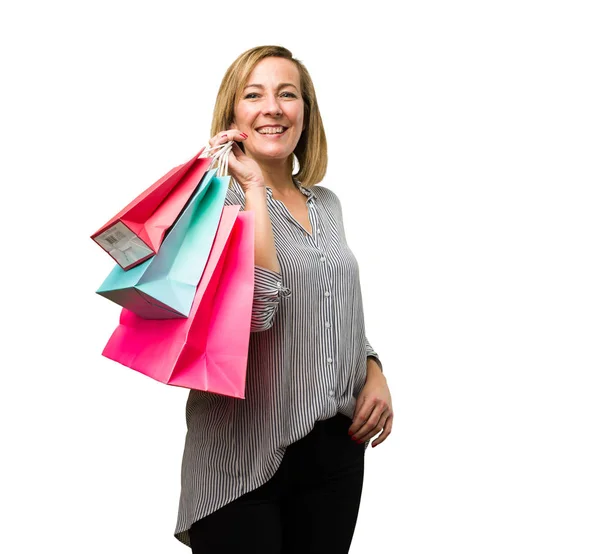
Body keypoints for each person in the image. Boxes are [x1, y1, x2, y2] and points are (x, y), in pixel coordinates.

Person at [174, 45, 394, 554]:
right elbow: (254, 315)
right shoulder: (212, 202)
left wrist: (375, 370)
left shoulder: (327, 204)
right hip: (240, 461)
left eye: (287, 94)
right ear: (233, 114)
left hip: (334, 452)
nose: (272, 107)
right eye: (254, 94)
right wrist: (251, 189)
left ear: (305, 113)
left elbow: (336, 314)